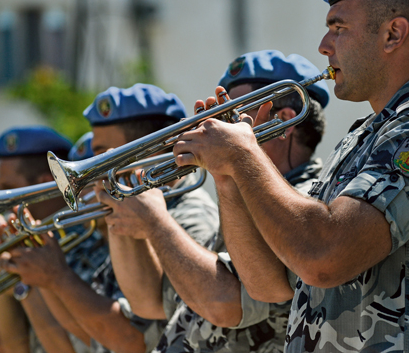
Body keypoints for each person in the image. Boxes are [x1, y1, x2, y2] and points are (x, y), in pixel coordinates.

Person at [172, 0, 409, 352]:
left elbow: (324, 256)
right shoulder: (368, 133)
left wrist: (244, 155)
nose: (324, 46)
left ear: (393, 34)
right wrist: (227, 173)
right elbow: (269, 285)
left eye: (339, 28)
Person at [95, 50, 329, 352]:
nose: (218, 127)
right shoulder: (244, 196)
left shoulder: (306, 199)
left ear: (283, 121)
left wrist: (157, 221)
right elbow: (152, 302)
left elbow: (224, 304)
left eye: (232, 117)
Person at [0, 84, 219, 353]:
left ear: (150, 150)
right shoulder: (121, 211)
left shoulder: (193, 215)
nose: (94, 168)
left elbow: (135, 339)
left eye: (104, 155)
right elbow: (83, 341)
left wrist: (55, 278)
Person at [0, 126, 79, 353]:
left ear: (46, 183)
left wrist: (23, 284)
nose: (1, 205)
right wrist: (4, 275)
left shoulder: (81, 238)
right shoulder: (25, 239)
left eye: (8, 191)